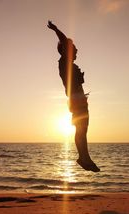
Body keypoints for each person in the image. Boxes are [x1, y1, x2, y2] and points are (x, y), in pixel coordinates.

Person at [47, 20, 100, 172]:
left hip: (80, 101)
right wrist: (56, 29)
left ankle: (85, 157)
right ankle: (84, 158)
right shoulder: (64, 63)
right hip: (76, 101)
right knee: (81, 130)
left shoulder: (70, 65)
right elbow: (65, 42)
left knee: (82, 130)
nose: (77, 51)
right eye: (74, 49)